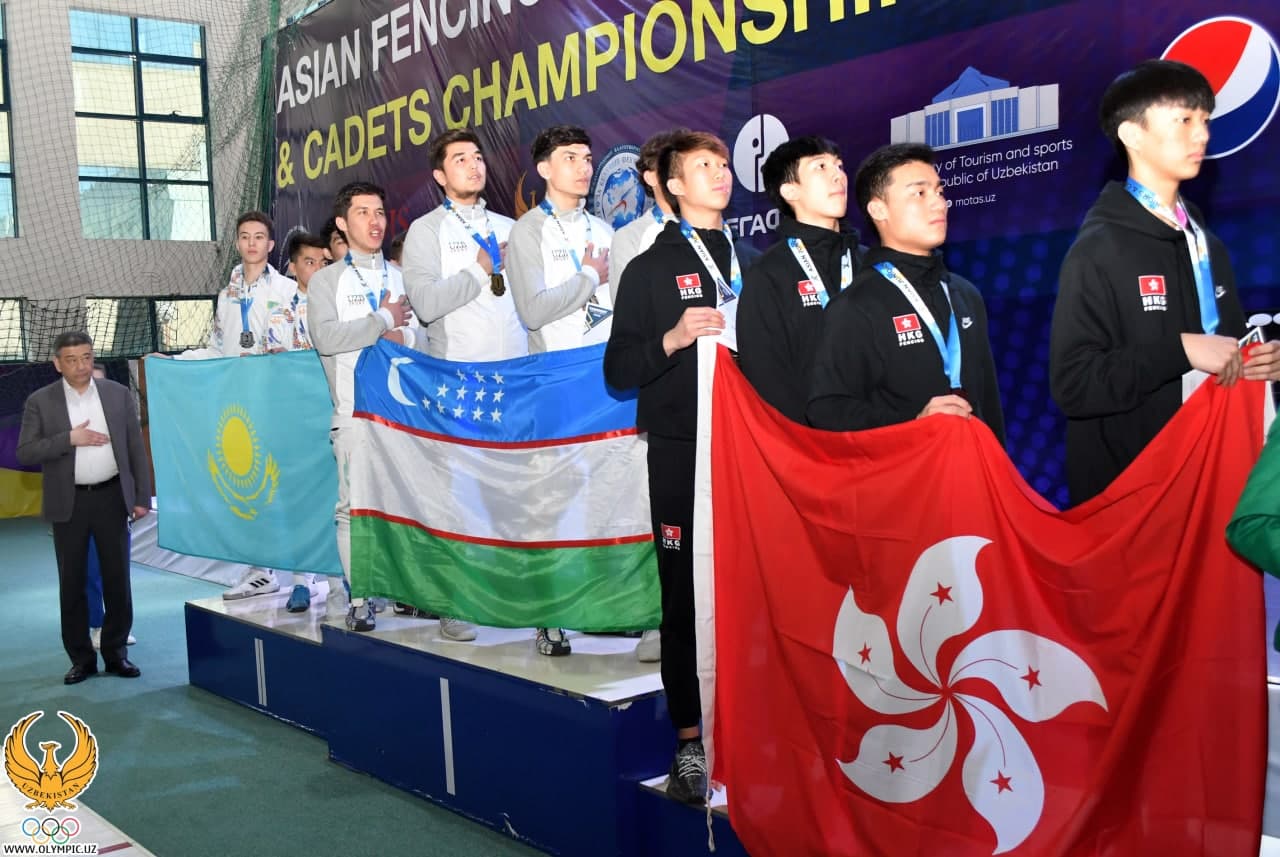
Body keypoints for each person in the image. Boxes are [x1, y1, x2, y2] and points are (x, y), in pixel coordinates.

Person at [1049, 59, 1280, 505]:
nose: (1202, 134)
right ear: (1132, 135)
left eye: (1205, 120)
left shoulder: (1207, 243)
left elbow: (1226, 350)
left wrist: (1259, 363)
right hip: (1132, 501)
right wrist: (1180, 350)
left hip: (1209, 482)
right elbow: (1074, 385)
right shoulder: (1098, 248)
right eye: (1184, 120)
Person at [605, 130, 741, 805]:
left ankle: (750, 730)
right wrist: (673, 337)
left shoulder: (754, 262)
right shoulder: (649, 268)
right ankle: (689, 742)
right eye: (704, 166)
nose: (720, 173)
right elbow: (618, 369)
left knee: (747, 591)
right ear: (673, 185)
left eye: (724, 163)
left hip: (746, 452)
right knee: (684, 596)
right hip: (682, 450)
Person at [807, 143, 1005, 441]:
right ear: (878, 209)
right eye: (920, 193)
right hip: (904, 468)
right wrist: (912, 423)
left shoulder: (965, 294)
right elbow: (827, 410)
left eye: (939, 192)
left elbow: (989, 403)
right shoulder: (854, 306)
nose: (939, 204)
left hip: (971, 463)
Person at [507, 124, 614, 657]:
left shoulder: (606, 229)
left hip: (606, 377)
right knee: (554, 499)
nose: (583, 167)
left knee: (606, 494)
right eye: (570, 157)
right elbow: (533, 311)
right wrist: (589, 278)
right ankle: (550, 615)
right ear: (544, 168)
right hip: (555, 379)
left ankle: (602, 606)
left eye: (588, 157)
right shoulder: (528, 231)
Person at [158, 211, 298, 600]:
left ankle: (306, 573)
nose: (252, 243)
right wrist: (175, 360)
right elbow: (217, 349)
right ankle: (259, 570)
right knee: (249, 486)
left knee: (286, 485)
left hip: (278, 402)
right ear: (237, 243)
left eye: (259, 236)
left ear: (271, 244)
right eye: (245, 236)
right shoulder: (226, 296)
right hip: (240, 406)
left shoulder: (287, 290)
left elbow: (301, 343)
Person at [309, 181, 422, 632]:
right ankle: (360, 598)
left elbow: (423, 339)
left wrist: (401, 334)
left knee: (407, 505)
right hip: (354, 413)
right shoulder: (327, 281)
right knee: (352, 508)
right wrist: (381, 321)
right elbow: (327, 338)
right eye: (362, 213)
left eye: (379, 212)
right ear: (342, 222)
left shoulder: (402, 276)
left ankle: (410, 593)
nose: (374, 222)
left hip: (404, 415)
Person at [17, 332, 151, 684]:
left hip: (111, 498)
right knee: (72, 582)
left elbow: (135, 448)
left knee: (118, 580)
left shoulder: (117, 394)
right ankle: (81, 659)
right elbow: (26, 452)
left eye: (87, 357)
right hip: (69, 502)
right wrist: (69, 439)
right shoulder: (40, 401)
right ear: (57, 363)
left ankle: (116, 654)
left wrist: (141, 496)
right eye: (72, 360)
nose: (81, 366)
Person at [739, 136, 864, 424]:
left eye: (839, 165)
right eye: (820, 166)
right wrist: (811, 439)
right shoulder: (768, 274)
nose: (838, 175)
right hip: (809, 441)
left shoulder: (873, 264)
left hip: (882, 436)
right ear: (790, 190)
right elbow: (767, 379)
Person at [84, 363, 136, 648]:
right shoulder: (68, 421)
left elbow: (134, 459)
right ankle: (96, 625)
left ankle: (119, 627)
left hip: (115, 504)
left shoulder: (120, 421)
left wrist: (136, 499)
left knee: (117, 571)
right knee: (90, 568)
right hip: (81, 506)